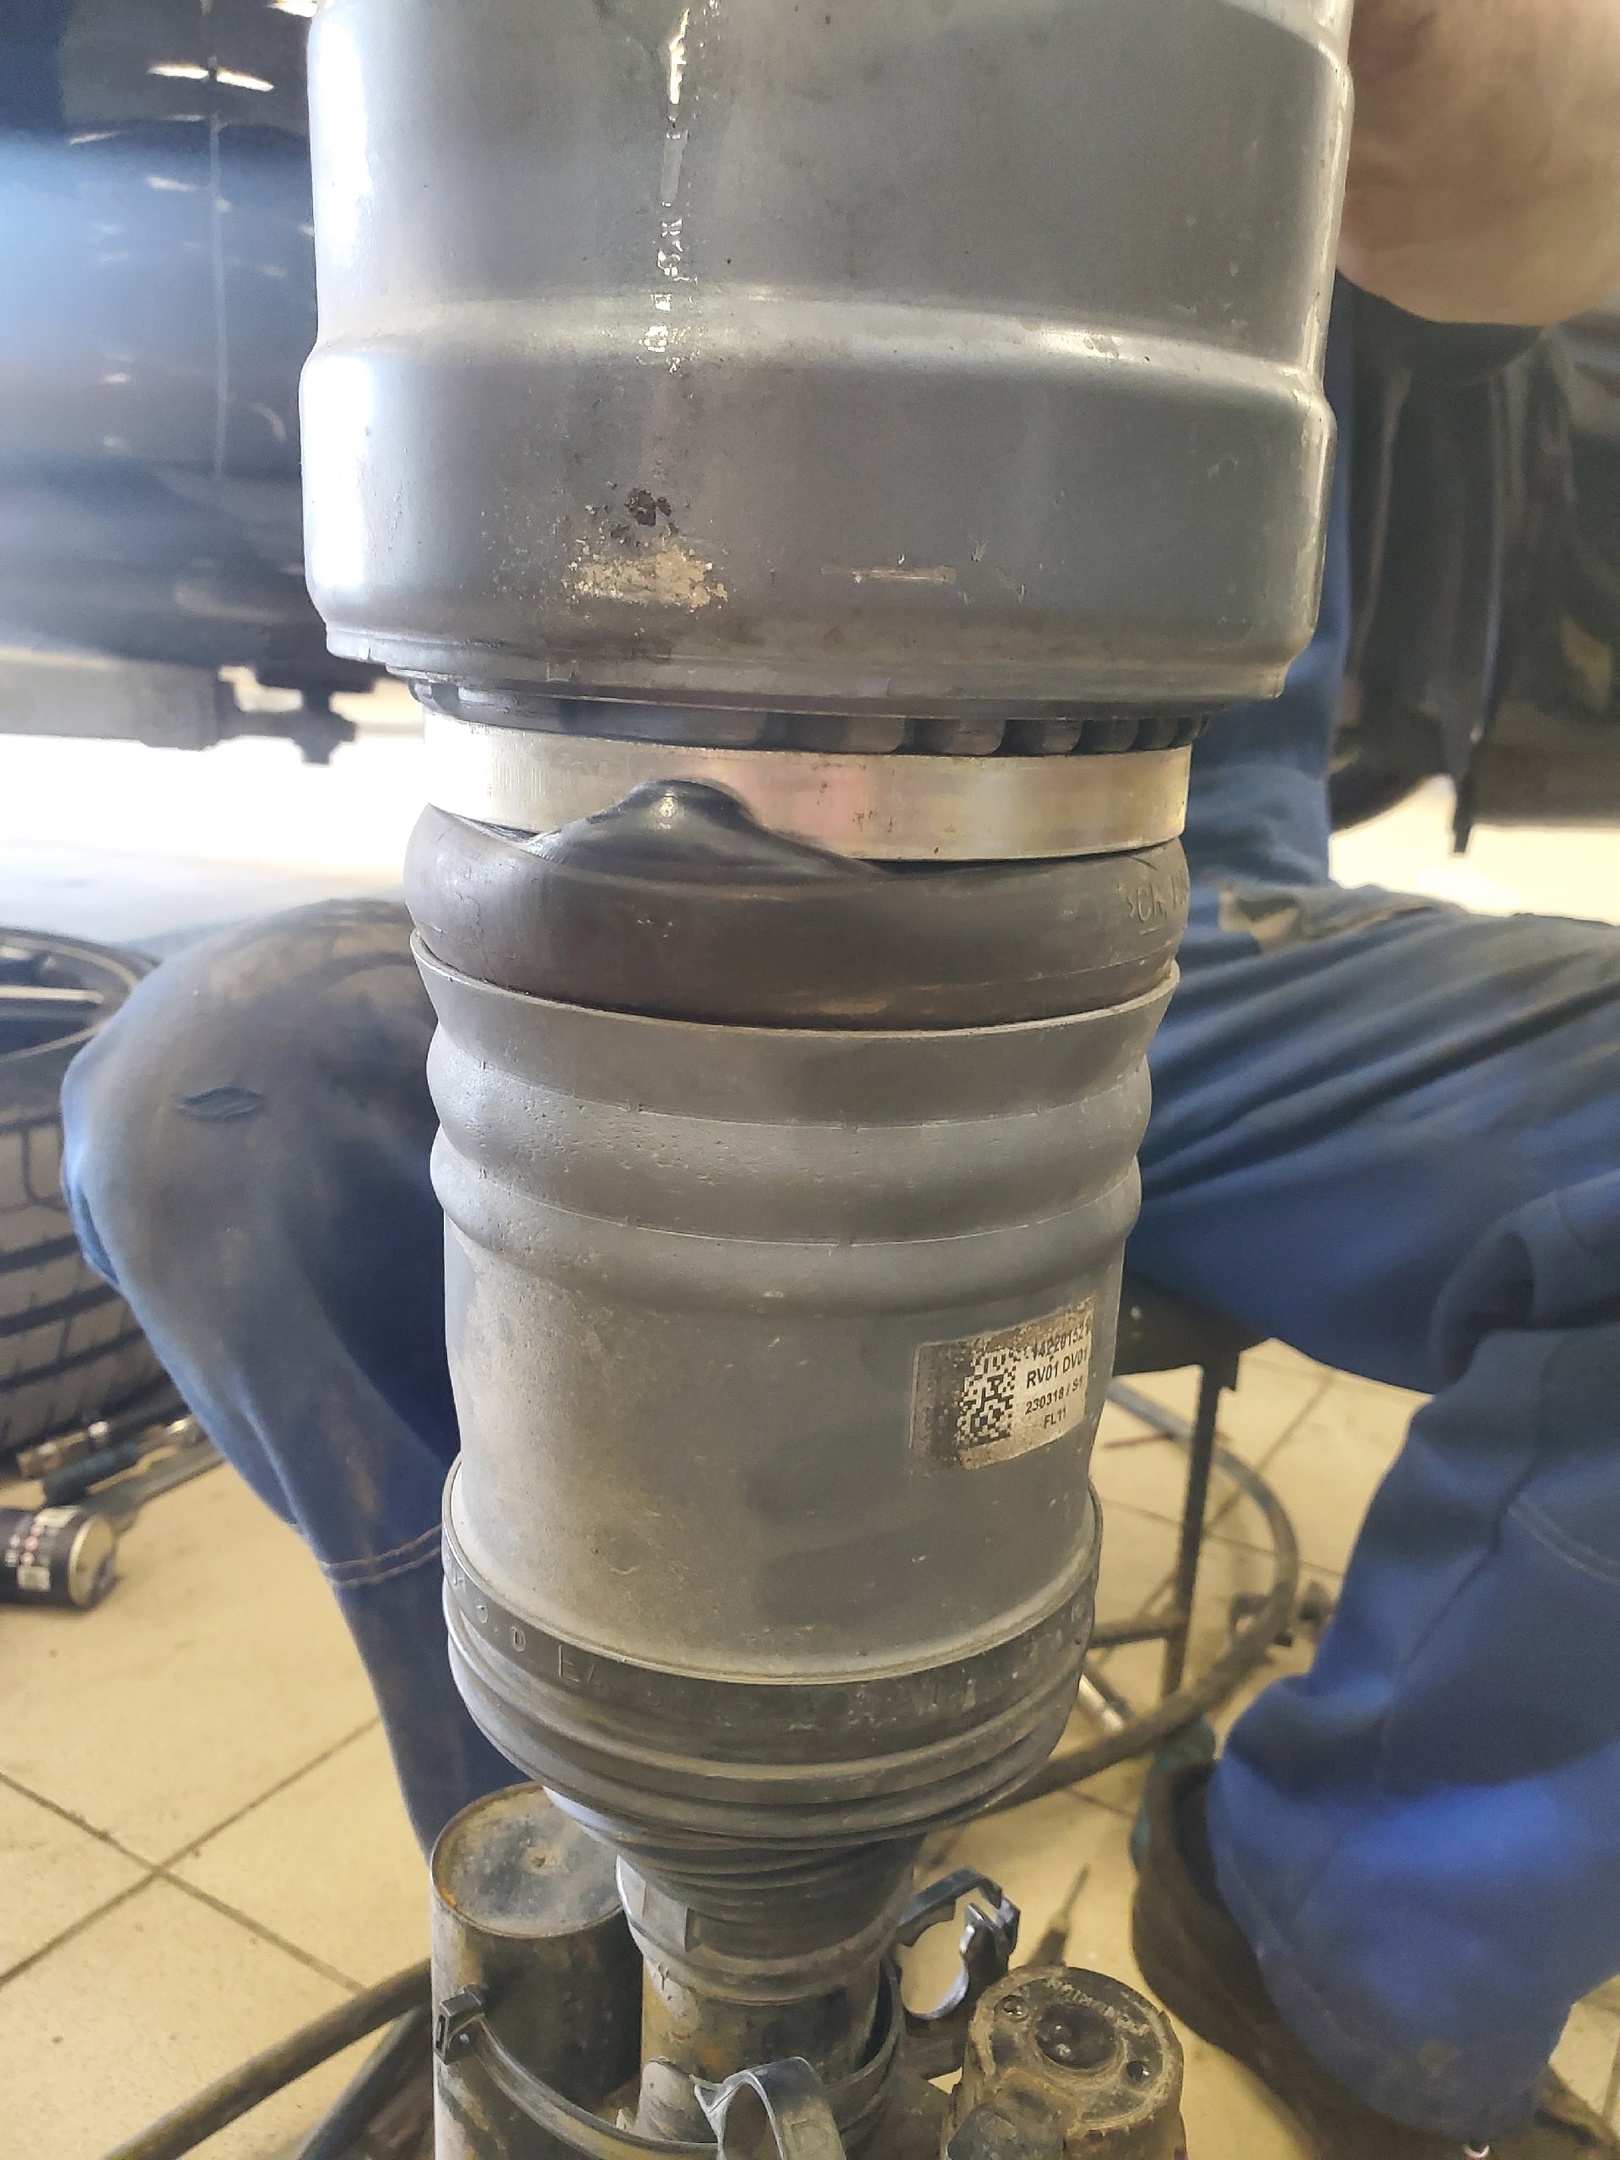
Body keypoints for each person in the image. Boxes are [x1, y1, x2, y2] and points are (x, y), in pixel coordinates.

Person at [57, 2, 1620, 2153]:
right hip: (573, 878)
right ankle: (557, 1914)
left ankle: (1334, 1932)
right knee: (195, 1102)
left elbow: (1530, 225)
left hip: (1123, 887)